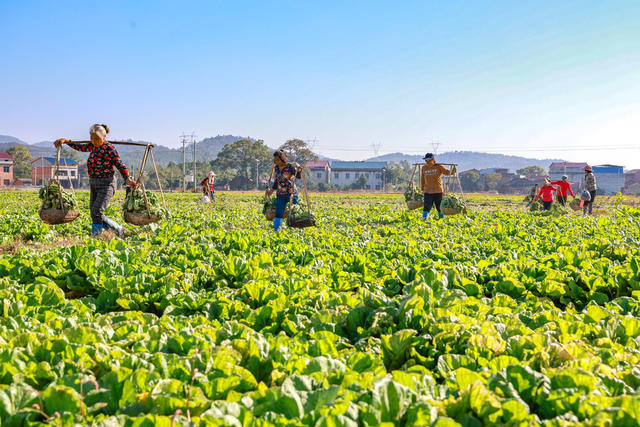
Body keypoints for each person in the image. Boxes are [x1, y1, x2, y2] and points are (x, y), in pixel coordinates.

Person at [54, 124, 137, 237]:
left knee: (97, 211)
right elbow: (79, 147)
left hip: (107, 184)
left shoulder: (109, 149)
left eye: (97, 139)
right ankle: (118, 229)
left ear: (104, 136)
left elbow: (119, 164)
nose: (94, 141)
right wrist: (66, 141)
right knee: (95, 213)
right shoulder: (92, 146)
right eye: (92, 139)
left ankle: (96, 237)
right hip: (94, 183)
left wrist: (127, 179)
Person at [265, 150, 297, 232]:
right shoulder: (276, 168)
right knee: (278, 213)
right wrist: (272, 189)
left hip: (291, 192)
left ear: (283, 159)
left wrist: (299, 171)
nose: (277, 162)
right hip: (280, 193)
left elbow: (298, 176)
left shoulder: (290, 167)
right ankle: (277, 231)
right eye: (275, 160)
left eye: (278, 160)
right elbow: (277, 180)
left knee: (294, 211)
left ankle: (298, 229)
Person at [420, 153, 455, 220]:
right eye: (426, 160)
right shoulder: (424, 168)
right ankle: (424, 218)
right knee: (427, 206)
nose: (427, 162)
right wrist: (422, 188)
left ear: (433, 159)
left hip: (438, 191)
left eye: (428, 160)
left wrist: (452, 171)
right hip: (428, 191)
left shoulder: (439, 167)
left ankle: (441, 219)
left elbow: (447, 172)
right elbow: (422, 178)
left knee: (439, 206)